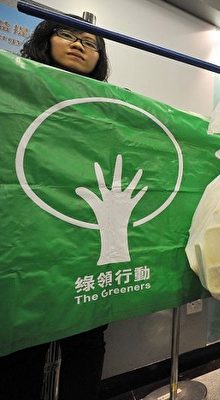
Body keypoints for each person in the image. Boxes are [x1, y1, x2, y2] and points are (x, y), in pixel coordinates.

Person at [0, 15, 110, 400]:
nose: (79, 44)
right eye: (66, 34)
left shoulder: (110, 109)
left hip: (86, 246)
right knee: (19, 352)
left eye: (90, 42)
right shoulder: (13, 88)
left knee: (86, 345)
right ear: (45, 39)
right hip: (24, 243)